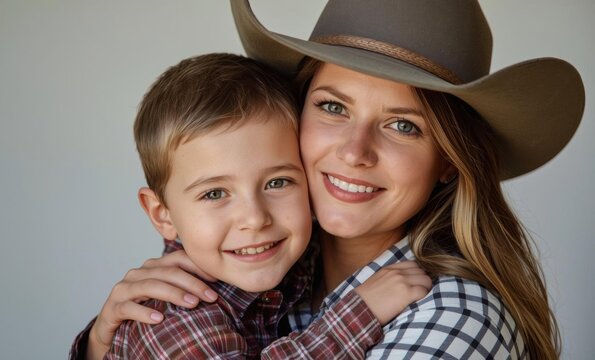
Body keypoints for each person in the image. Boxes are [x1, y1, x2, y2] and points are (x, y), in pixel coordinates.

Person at [73, 0, 585, 359]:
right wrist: (105, 341)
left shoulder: (452, 317)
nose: (355, 152)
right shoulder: (274, 277)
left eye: (403, 125)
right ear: (295, 119)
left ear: (449, 159)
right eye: (333, 107)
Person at [80, 52, 432, 359]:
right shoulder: (175, 315)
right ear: (161, 214)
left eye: (277, 183)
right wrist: (359, 314)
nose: (255, 218)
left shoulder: (296, 259)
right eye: (215, 194)